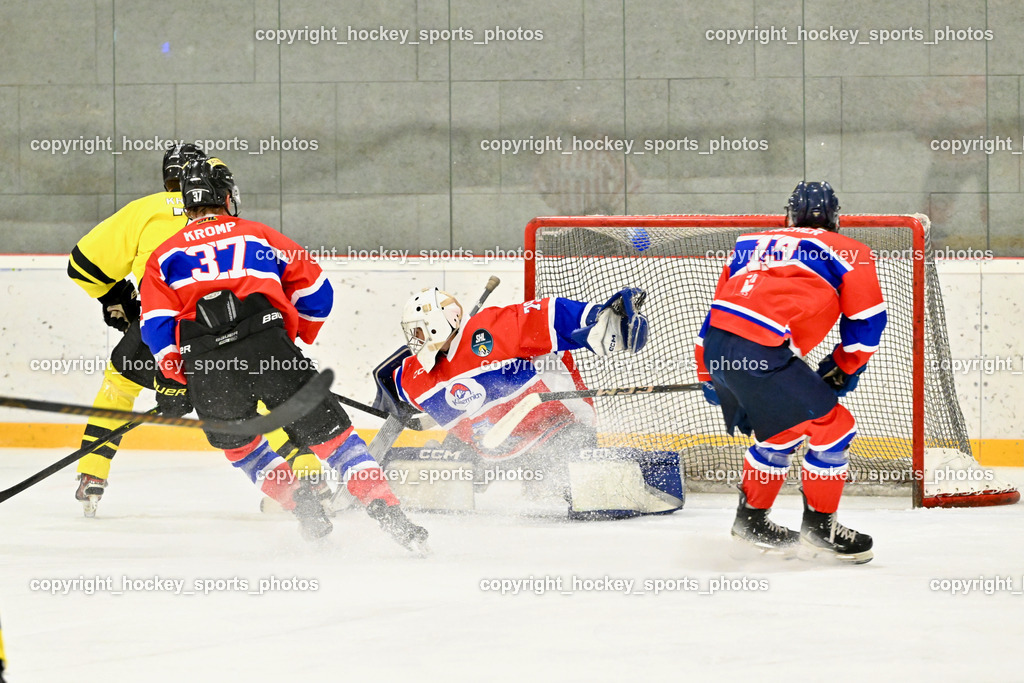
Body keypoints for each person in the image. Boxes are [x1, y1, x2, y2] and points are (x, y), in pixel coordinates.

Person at [139, 157, 427, 549]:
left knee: (241, 446)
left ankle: (301, 502)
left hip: (206, 364)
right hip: (270, 351)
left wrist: (179, 376)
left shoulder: (163, 255)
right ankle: (389, 512)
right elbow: (317, 294)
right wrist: (293, 337)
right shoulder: (259, 235)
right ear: (226, 197)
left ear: (187, 204)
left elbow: (156, 324)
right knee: (336, 441)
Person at [695, 181, 886, 563]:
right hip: (762, 349)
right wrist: (845, 366)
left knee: (780, 429)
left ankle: (751, 520)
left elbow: (716, 309)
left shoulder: (748, 243)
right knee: (835, 428)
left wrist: (707, 371)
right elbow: (866, 320)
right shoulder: (851, 250)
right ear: (835, 217)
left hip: (719, 346)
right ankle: (821, 529)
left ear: (788, 214)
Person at [381, 286, 684, 519]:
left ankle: (636, 477)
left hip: (556, 427)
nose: (415, 340)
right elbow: (391, 387)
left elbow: (547, 314)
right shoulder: (414, 375)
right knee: (435, 476)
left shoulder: (490, 330)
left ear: (437, 323)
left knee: (583, 491)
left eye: (419, 330)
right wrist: (388, 403)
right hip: (489, 448)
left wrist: (598, 320)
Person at [68, 142, 206, 516]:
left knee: (119, 384)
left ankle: (92, 473)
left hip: (158, 334)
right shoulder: (228, 218)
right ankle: (306, 476)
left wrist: (117, 297)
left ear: (167, 177)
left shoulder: (146, 210)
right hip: (221, 338)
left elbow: (82, 265)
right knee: (253, 393)